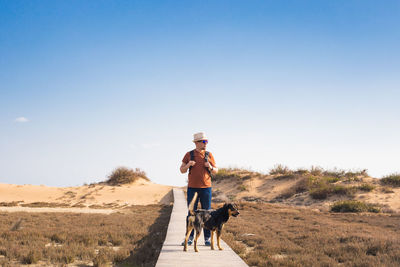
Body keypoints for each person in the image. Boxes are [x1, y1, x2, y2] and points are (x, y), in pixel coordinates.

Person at [180, 132, 218, 246]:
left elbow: (216, 170)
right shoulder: (189, 154)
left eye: (206, 141)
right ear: (196, 143)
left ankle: (207, 239)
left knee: (207, 213)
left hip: (206, 188)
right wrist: (188, 165)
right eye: (203, 141)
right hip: (192, 188)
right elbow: (181, 170)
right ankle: (189, 238)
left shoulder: (209, 154)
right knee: (191, 213)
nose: (206, 144)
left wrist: (210, 167)